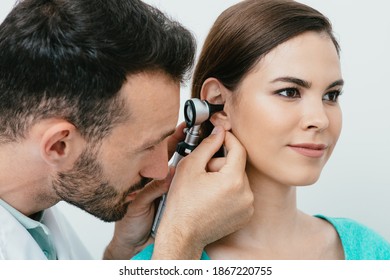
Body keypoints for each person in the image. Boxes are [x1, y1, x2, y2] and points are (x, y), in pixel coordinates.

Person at [132, 0, 390, 260]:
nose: (320, 119)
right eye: (289, 92)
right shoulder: (166, 259)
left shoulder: (371, 251)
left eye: (331, 95)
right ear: (218, 103)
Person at [0, 0, 254, 260]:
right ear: (59, 146)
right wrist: (183, 238)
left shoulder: (31, 216)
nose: (160, 171)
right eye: (147, 146)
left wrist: (124, 252)